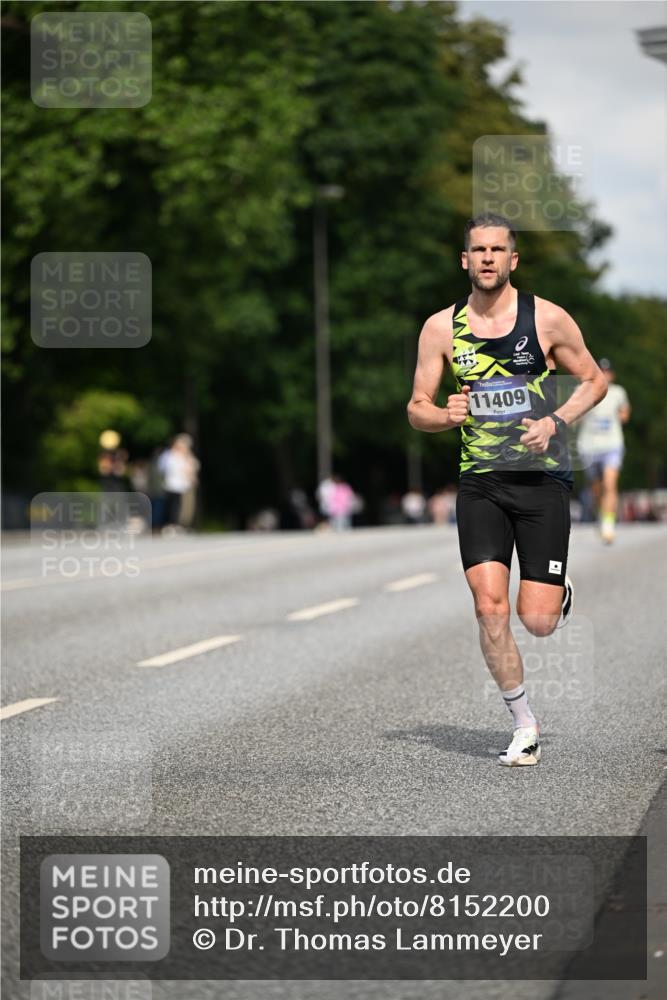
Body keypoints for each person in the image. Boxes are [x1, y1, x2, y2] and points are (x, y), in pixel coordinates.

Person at [407, 212, 607, 767]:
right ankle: (523, 724)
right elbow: (417, 408)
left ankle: (556, 591)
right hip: (481, 484)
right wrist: (444, 416)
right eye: (479, 250)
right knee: (489, 607)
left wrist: (556, 422)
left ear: (513, 259)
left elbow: (594, 380)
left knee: (537, 621)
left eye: (498, 249)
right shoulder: (440, 328)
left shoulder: (546, 319)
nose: (488, 258)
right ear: (464, 260)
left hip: (541, 482)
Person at [576, 358, 630, 544]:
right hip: (589, 446)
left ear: (612, 374)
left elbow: (624, 414)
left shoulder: (618, 392)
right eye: (602, 371)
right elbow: (574, 416)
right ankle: (602, 513)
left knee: (610, 483)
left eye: (608, 372)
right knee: (596, 487)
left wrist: (618, 416)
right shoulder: (582, 390)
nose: (605, 375)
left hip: (612, 444)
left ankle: (608, 524)